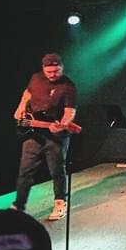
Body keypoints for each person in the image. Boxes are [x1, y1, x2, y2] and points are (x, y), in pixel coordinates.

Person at [13, 52, 77, 221]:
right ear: (43, 69)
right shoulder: (36, 78)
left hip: (56, 135)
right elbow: (27, 93)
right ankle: (19, 205)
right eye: (49, 72)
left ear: (61, 68)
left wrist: (62, 124)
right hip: (33, 132)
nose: (52, 75)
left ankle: (60, 202)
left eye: (56, 71)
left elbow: (70, 112)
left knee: (57, 169)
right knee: (25, 170)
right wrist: (21, 106)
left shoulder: (68, 86)